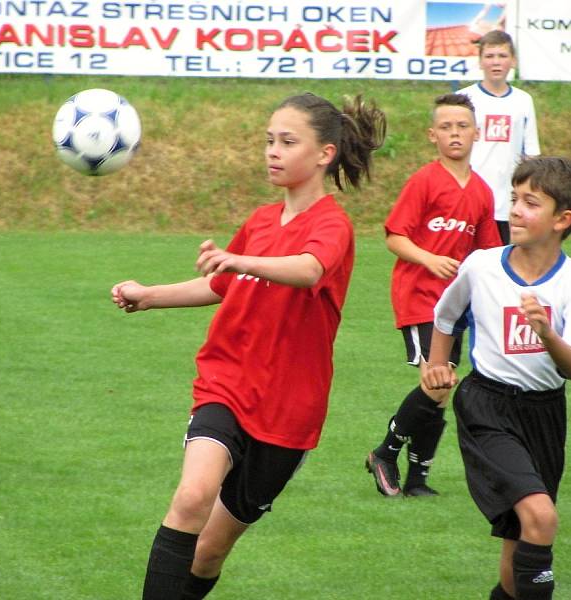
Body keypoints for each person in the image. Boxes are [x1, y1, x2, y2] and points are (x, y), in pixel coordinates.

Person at [111, 92, 386, 600]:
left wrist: (239, 260)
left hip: (289, 410)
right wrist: (150, 296)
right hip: (227, 381)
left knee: (209, 551)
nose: (272, 152)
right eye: (268, 141)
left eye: (287, 141)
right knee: (193, 496)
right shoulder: (260, 221)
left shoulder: (332, 225)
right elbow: (221, 286)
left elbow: (307, 270)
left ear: (325, 154)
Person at [423, 157, 571, 600]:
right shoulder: (481, 266)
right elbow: (444, 318)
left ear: (563, 219)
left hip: (544, 413)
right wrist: (436, 368)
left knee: (521, 538)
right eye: (514, 199)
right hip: (487, 405)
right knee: (541, 516)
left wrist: (546, 333)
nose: (516, 210)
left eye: (530, 203)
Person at [365, 93, 501, 498]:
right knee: (437, 381)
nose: (455, 133)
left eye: (462, 126)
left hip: (454, 304)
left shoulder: (481, 191)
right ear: (432, 135)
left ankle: (418, 480)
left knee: (440, 391)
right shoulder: (425, 180)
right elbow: (394, 236)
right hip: (419, 295)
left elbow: (488, 251)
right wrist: (430, 259)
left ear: (477, 133)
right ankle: (385, 453)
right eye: (446, 127)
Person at [457, 30, 541, 244]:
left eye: (502, 56)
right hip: (469, 200)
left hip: (507, 204)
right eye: (490, 56)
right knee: (463, 267)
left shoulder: (523, 101)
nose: (496, 62)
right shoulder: (464, 98)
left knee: (502, 268)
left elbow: (530, 155)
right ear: (480, 61)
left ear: (513, 61)